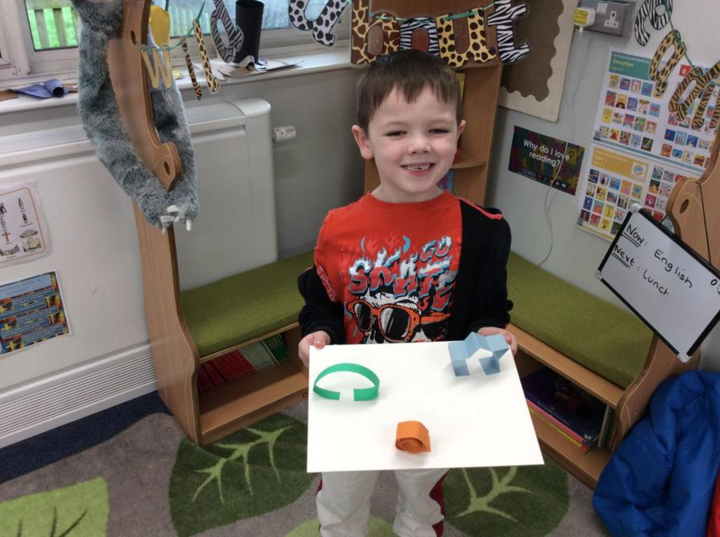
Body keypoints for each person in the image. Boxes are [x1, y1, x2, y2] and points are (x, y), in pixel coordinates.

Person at [297, 49, 516, 537]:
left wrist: (491, 334)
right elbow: (322, 301)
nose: (419, 145)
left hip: (433, 399)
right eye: (397, 132)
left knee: (422, 499)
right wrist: (318, 335)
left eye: (436, 129)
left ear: (458, 135)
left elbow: (489, 310)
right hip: (355, 398)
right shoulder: (339, 227)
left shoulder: (484, 231)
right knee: (341, 497)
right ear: (365, 141)